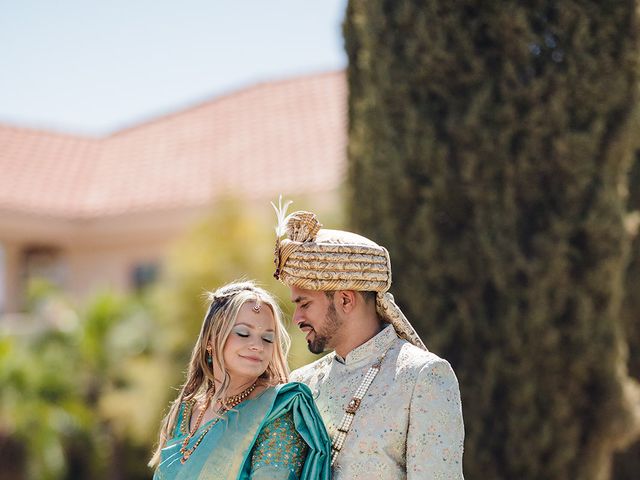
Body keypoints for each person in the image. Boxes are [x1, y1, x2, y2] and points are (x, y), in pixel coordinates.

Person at [271, 207, 465, 479]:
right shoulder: (301, 384)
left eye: (304, 304)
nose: (297, 319)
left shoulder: (422, 376)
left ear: (345, 300)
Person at [149, 281, 331, 480]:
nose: (257, 346)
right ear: (211, 339)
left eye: (267, 339)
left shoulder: (276, 411)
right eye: (243, 333)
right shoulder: (184, 413)